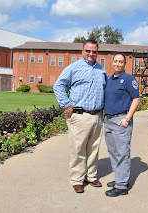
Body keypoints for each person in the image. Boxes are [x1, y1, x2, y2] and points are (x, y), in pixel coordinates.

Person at [53, 39, 108, 193]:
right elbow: (58, 85)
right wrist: (66, 104)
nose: (91, 54)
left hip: (97, 115)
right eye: (88, 51)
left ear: (97, 52)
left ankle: (91, 176)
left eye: (94, 51)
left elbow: (107, 89)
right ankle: (77, 179)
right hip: (79, 115)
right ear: (82, 51)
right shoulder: (73, 68)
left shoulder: (102, 70)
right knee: (78, 149)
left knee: (93, 148)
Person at [103, 53, 140, 197]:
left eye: (121, 62)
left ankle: (121, 186)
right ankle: (120, 178)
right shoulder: (110, 79)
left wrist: (127, 119)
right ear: (112, 63)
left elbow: (136, 99)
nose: (118, 64)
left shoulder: (128, 79)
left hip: (121, 120)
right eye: (116, 61)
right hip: (108, 120)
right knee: (113, 152)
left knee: (122, 153)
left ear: (125, 64)